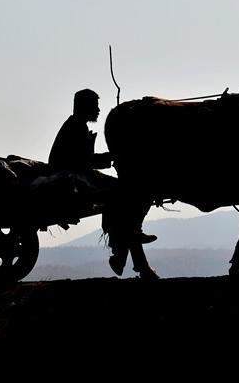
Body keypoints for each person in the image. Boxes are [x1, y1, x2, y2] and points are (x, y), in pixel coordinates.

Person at [49, 89, 158, 279]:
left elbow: (82, 159)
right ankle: (125, 242)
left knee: (123, 192)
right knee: (122, 193)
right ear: (85, 106)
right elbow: (81, 161)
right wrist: (112, 157)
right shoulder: (76, 127)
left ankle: (123, 252)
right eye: (95, 106)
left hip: (76, 174)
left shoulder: (75, 125)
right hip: (72, 178)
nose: (99, 110)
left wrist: (108, 158)